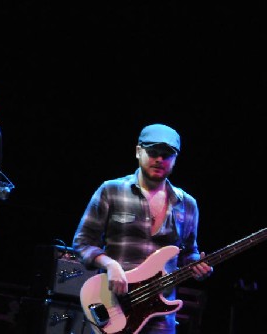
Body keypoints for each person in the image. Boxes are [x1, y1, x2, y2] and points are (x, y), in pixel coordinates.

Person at [72, 123, 213, 334]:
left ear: (175, 159)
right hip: (115, 306)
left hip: (160, 316)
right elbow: (82, 243)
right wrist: (110, 264)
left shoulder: (187, 204)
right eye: (153, 152)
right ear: (138, 151)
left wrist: (198, 267)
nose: (159, 159)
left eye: (166, 154)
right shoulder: (111, 190)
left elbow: (188, 253)